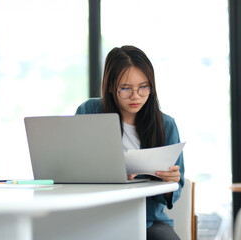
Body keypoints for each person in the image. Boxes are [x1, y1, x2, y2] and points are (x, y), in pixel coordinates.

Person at [76, 45, 184, 240]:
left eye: (143, 87)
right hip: (97, 214)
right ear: (110, 86)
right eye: (125, 88)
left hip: (147, 219)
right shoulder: (89, 111)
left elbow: (176, 190)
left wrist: (170, 182)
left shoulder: (165, 125)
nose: (136, 96)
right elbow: (73, 166)